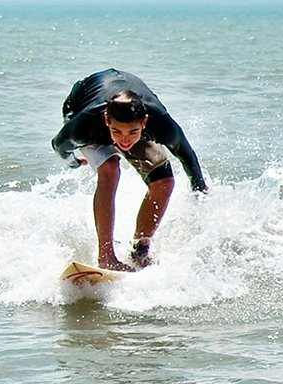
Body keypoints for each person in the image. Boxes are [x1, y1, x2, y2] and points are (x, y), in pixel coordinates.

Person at [50, 69, 207, 271]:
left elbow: (188, 157)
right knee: (110, 169)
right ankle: (106, 257)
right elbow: (59, 146)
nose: (125, 140)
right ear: (107, 121)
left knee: (164, 182)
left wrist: (199, 191)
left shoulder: (161, 123)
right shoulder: (83, 126)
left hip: (132, 109)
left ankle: (140, 250)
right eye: (117, 132)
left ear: (144, 123)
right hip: (80, 105)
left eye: (133, 132)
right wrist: (75, 163)